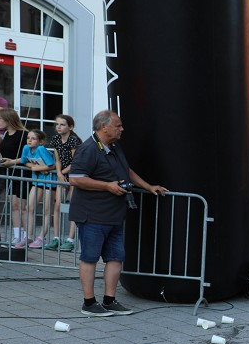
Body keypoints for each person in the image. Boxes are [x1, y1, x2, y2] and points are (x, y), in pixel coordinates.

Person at [67, 111, 167, 315]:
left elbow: (126, 170)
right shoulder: (88, 149)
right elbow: (75, 178)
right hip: (92, 215)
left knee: (115, 257)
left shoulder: (114, 146)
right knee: (90, 258)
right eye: (118, 125)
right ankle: (88, 303)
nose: (122, 129)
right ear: (104, 127)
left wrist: (148, 186)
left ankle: (109, 300)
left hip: (114, 215)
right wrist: (107, 186)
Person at [0, 109, 29, 246]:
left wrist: (12, 162)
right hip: (11, 173)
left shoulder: (24, 134)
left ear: (8, 119)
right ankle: (16, 235)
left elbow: (27, 156)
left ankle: (26, 236)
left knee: (22, 206)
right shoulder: (6, 134)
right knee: (14, 205)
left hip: (23, 173)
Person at [18, 129, 59, 249]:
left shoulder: (41, 149)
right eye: (28, 138)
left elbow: (51, 165)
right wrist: (36, 167)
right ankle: (28, 236)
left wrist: (39, 168)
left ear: (41, 141)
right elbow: (24, 162)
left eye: (33, 138)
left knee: (47, 209)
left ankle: (42, 237)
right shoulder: (26, 148)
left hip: (49, 181)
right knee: (29, 207)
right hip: (37, 180)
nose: (29, 140)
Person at [51, 114, 82, 252]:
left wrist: (63, 173)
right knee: (58, 204)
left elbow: (76, 161)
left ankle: (70, 239)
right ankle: (56, 237)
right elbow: (57, 159)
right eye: (57, 124)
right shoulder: (56, 139)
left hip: (74, 174)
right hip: (62, 174)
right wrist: (59, 173)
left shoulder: (74, 140)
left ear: (70, 127)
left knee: (72, 205)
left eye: (62, 124)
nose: (58, 127)